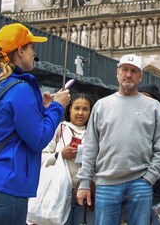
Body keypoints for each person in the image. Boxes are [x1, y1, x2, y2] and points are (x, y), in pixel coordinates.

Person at [0, 23, 70, 224]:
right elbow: (38, 139)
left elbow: (6, 126)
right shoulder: (20, 89)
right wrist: (57, 107)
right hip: (4, 190)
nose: (34, 53)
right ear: (21, 51)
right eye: (31, 48)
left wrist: (42, 109)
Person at [77, 54, 160, 225]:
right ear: (117, 72)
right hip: (106, 184)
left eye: (134, 71)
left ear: (140, 76)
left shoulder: (154, 107)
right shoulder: (101, 106)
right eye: (125, 69)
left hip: (140, 184)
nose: (129, 74)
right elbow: (90, 146)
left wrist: (150, 177)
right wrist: (84, 183)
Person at [43, 93, 95, 225]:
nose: (81, 113)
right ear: (69, 109)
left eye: (85, 109)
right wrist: (60, 154)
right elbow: (42, 157)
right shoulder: (58, 128)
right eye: (77, 108)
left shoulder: (95, 134)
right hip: (58, 192)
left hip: (85, 193)